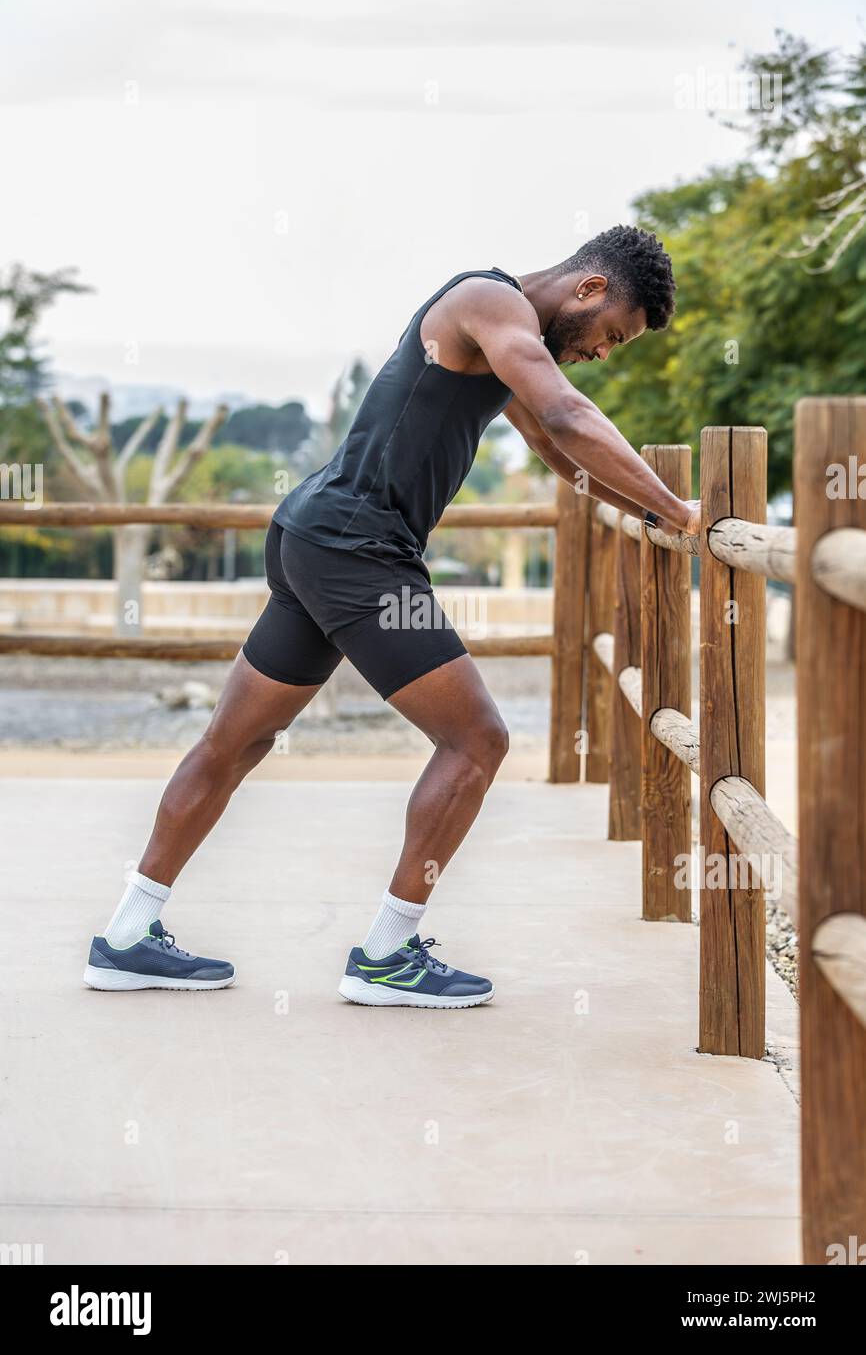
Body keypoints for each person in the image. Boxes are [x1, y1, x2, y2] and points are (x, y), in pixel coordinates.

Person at [84, 224, 701, 1005]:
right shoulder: (490, 300)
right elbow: (571, 417)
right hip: (359, 548)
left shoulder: (509, 338)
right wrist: (679, 509)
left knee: (237, 741)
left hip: (316, 534)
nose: (603, 354)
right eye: (613, 335)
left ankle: (127, 936)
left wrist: (650, 515)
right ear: (588, 288)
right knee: (476, 740)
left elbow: (556, 448)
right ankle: (387, 955)